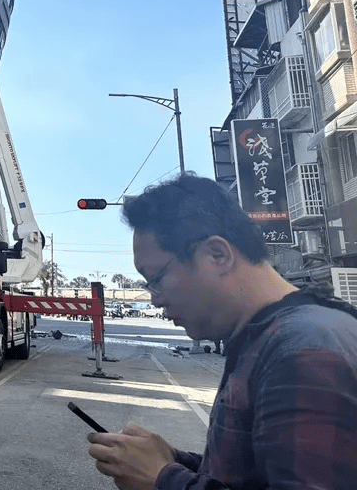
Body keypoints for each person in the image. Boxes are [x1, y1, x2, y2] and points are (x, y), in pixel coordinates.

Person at [87, 173, 357, 490]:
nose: (155, 299)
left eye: (156, 278)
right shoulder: (272, 336)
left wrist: (163, 479)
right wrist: (171, 461)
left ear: (217, 254)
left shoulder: (300, 351)